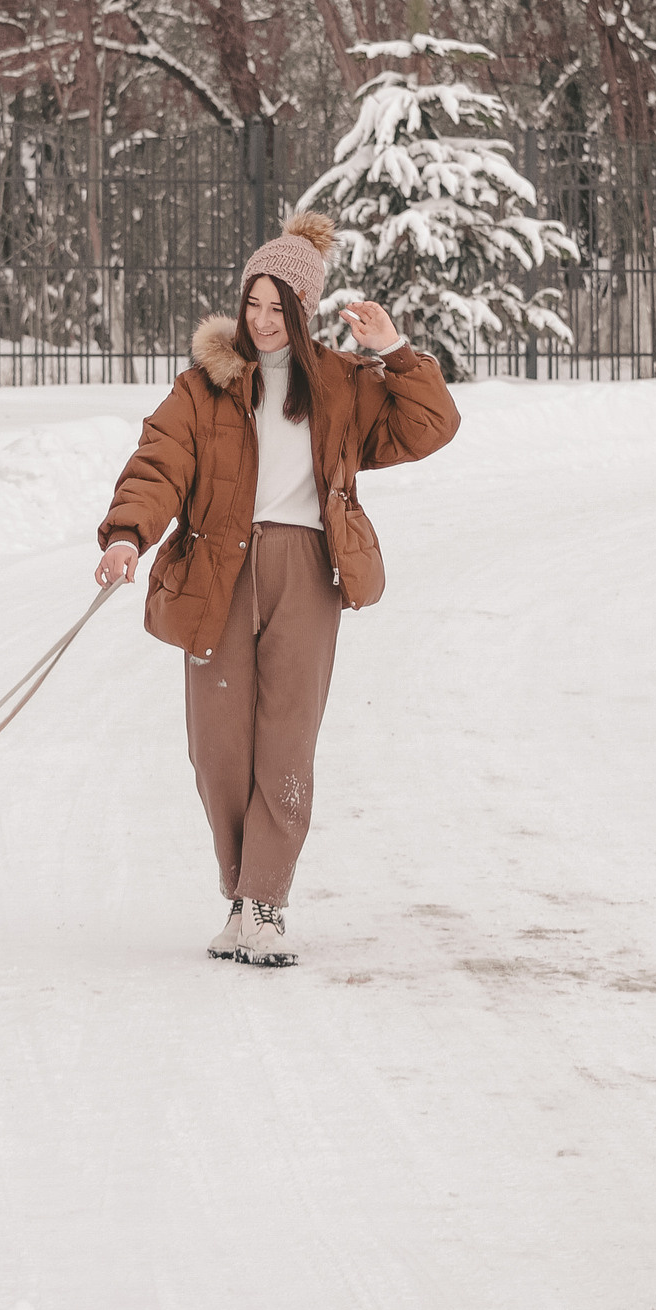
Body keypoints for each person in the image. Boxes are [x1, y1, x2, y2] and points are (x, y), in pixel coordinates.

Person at [96, 210, 459, 967]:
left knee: (287, 740)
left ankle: (264, 903)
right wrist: (128, 534)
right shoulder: (206, 386)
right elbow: (159, 461)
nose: (262, 321)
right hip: (218, 570)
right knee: (217, 748)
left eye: (278, 306)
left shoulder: (344, 385)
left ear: (305, 308)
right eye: (252, 303)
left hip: (307, 571)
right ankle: (238, 892)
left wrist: (393, 350)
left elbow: (432, 424)